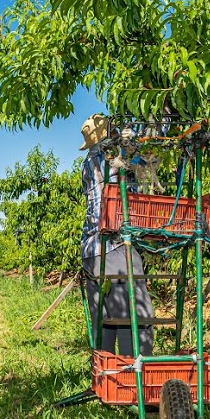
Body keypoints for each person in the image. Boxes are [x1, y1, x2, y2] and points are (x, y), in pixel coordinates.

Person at [79, 115, 155, 357]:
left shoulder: (88, 162)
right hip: (113, 246)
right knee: (135, 317)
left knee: (105, 321)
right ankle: (135, 372)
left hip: (91, 250)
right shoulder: (107, 157)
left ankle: (106, 373)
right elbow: (139, 155)